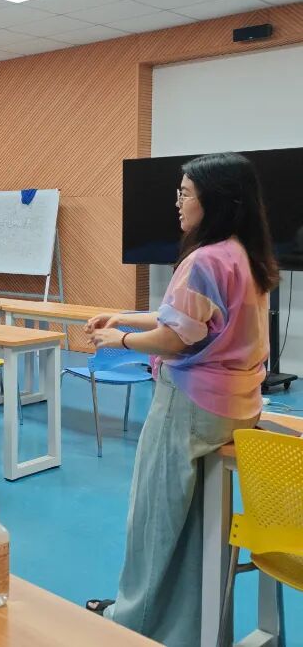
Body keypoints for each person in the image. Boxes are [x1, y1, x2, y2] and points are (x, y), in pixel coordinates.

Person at [85, 152, 276, 647]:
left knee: (154, 519)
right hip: (236, 406)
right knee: (193, 528)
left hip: (191, 405)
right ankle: (185, 629)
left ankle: (131, 623)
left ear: (214, 200)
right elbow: (191, 319)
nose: (178, 202)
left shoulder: (205, 259)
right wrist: (125, 318)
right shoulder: (244, 255)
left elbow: (176, 338)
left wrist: (119, 340)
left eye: (185, 193)